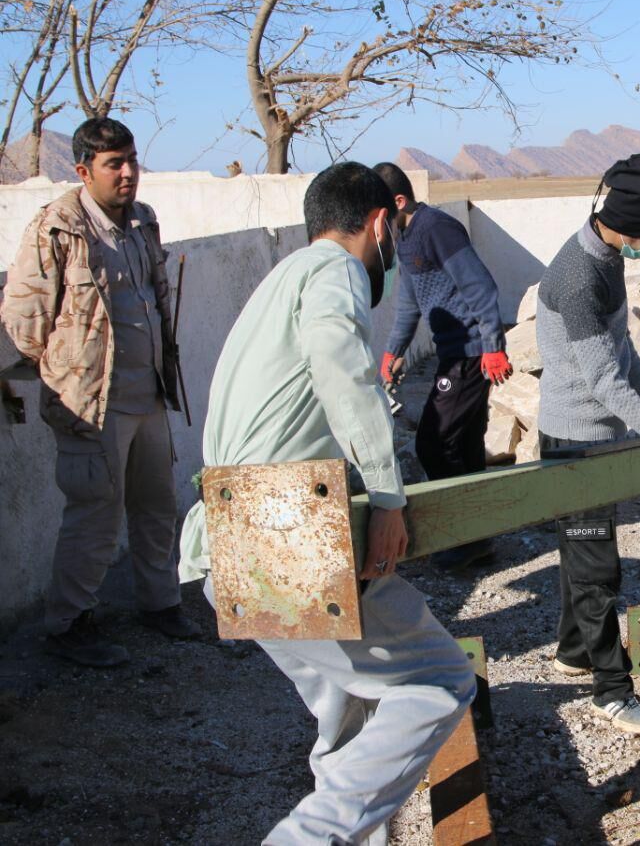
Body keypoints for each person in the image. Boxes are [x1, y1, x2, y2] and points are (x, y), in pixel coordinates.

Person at [177, 162, 475, 843]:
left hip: (230, 532)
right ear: (378, 223)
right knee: (438, 681)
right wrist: (390, 496)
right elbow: (344, 372)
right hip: (283, 525)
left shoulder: (279, 281)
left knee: (343, 702)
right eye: (391, 236)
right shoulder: (334, 272)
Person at [1, 117, 197, 667]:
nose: (129, 173)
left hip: (150, 394)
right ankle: (69, 624)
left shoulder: (142, 221)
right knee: (94, 516)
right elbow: (24, 322)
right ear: (84, 170)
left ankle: (159, 605)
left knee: (156, 507)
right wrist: (68, 368)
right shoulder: (57, 227)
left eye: (132, 160)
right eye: (115, 165)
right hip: (92, 405)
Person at [535, 153, 640, 735]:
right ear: (622, 222)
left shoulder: (608, 254)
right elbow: (600, 379)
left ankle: (574, 650)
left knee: (581, 553)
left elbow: (621, 352)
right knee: (597, 568)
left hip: (597, 434)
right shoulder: (578, 276)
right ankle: (611, 691)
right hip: (576, 441)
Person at [373, 161, 512, 571]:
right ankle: (475, 539)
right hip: (452, 352)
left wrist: (492, 345)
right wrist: (393, 350)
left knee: (433, 443)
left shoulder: (435, 228)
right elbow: (409, 302)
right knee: (465, 444)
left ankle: (461, 534)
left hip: (471, 353)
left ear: (399, 200)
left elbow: (479, 285)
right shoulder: (405, 235)